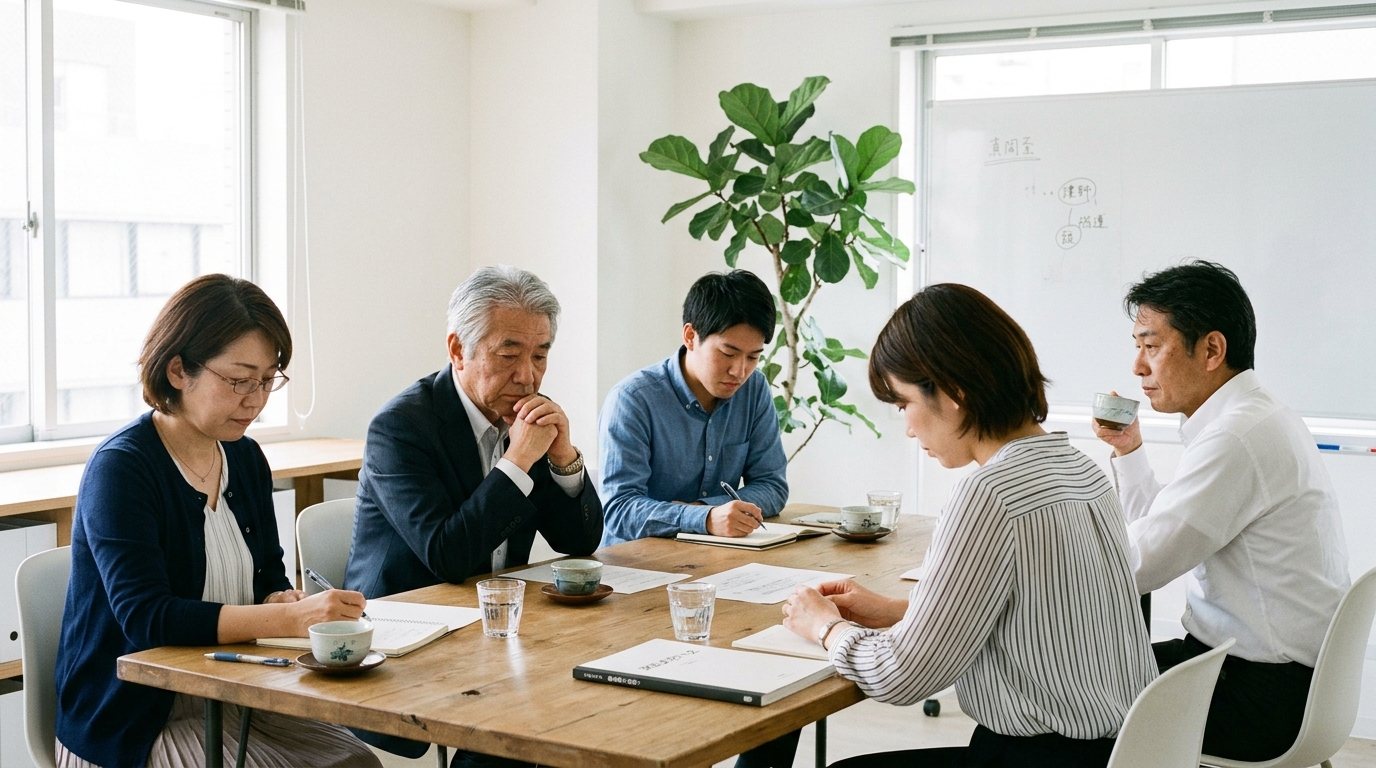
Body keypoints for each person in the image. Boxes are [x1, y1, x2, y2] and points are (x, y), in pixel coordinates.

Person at [782, 284, 1157, 768]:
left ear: (954, 391)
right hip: (1119, 751)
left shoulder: (989, 492)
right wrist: (900, 610)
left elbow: (903, 677)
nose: (908, 428)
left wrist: (825, 627)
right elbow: (1041, 616)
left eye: (903, 404)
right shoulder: (1080, 469)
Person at [54, 275, 379, 768]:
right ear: (178, 370)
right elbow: (147, 618)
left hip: (236, 692)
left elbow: (268, 573)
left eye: (268, 379)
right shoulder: (122, 468)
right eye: (238, 379)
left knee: (357, 763)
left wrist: (281, 597)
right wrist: (288, 618)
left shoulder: (245, 459)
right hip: (135, 719)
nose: (255, 399)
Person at [344, 264, 602, 768]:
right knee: (532, 735)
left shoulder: (523, 417)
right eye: (509, 354)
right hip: (407, 645)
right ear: (459, 350)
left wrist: (563, 458)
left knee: (591, 708)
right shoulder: (401, 428)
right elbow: (449, 556)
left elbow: (580, 539)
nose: (527, 375)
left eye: (540, 355)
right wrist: (519, 461)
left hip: (496, 637)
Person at [1093, 260, 1349, 762]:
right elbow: (1161, 532)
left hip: (1260, 697)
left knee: (1066, 692)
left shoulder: (1237, 436)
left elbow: (1142, 565)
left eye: (1151, 346)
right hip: (1279, 680)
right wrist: (1130, 450)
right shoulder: (1253, 417)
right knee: (1085, 677)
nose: (1138, 367)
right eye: (1137, 347)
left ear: (1212, 349)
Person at [598, 270, 787, 547]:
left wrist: (703, 509)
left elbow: (772, 487)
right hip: (635, 566)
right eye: (728, 354)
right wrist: (705, 518)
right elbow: (619, 510)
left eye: (753, 357)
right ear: (690, 336)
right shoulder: (633, 399)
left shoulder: (754, 389)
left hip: (716, 557)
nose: (740, 371)